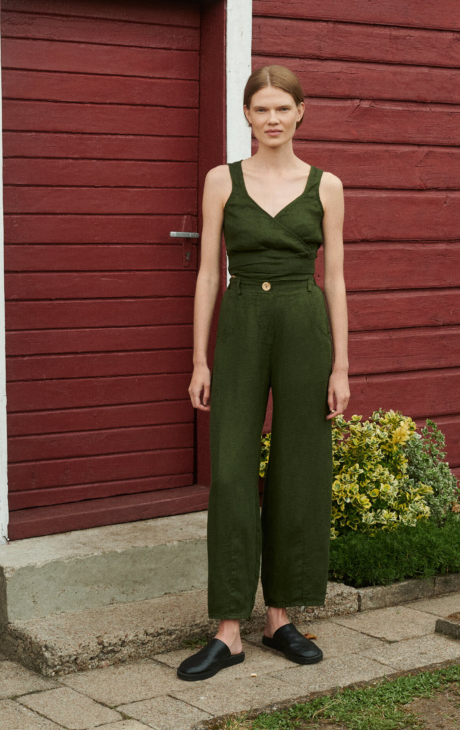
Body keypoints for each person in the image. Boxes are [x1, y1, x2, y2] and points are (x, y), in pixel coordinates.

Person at [177, 65, 350, 681]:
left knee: (298, 466)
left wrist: (342, 366)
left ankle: (279, 617)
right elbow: (206, 274)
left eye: (283, 108)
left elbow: (334, 279)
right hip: (244, 319)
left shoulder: (325, 185)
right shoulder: (221, 181)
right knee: (229, 472)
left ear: (302, 112)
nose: (272, 119)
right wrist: (199, 358)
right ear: (246, 116)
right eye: (261, 109)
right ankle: (229, 628)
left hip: (305, 324)